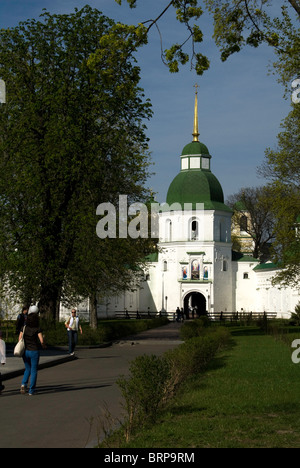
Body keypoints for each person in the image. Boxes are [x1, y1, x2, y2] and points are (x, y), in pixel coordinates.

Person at [18, 305, 46, 396]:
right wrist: (44, 345)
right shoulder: (37, 329)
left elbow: (19, 339)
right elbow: (41, 341)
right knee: (33, 370)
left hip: (25, 351)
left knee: (27, 368)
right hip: (34, 351)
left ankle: (23, 384)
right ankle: (31, 390)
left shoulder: (24, 328)